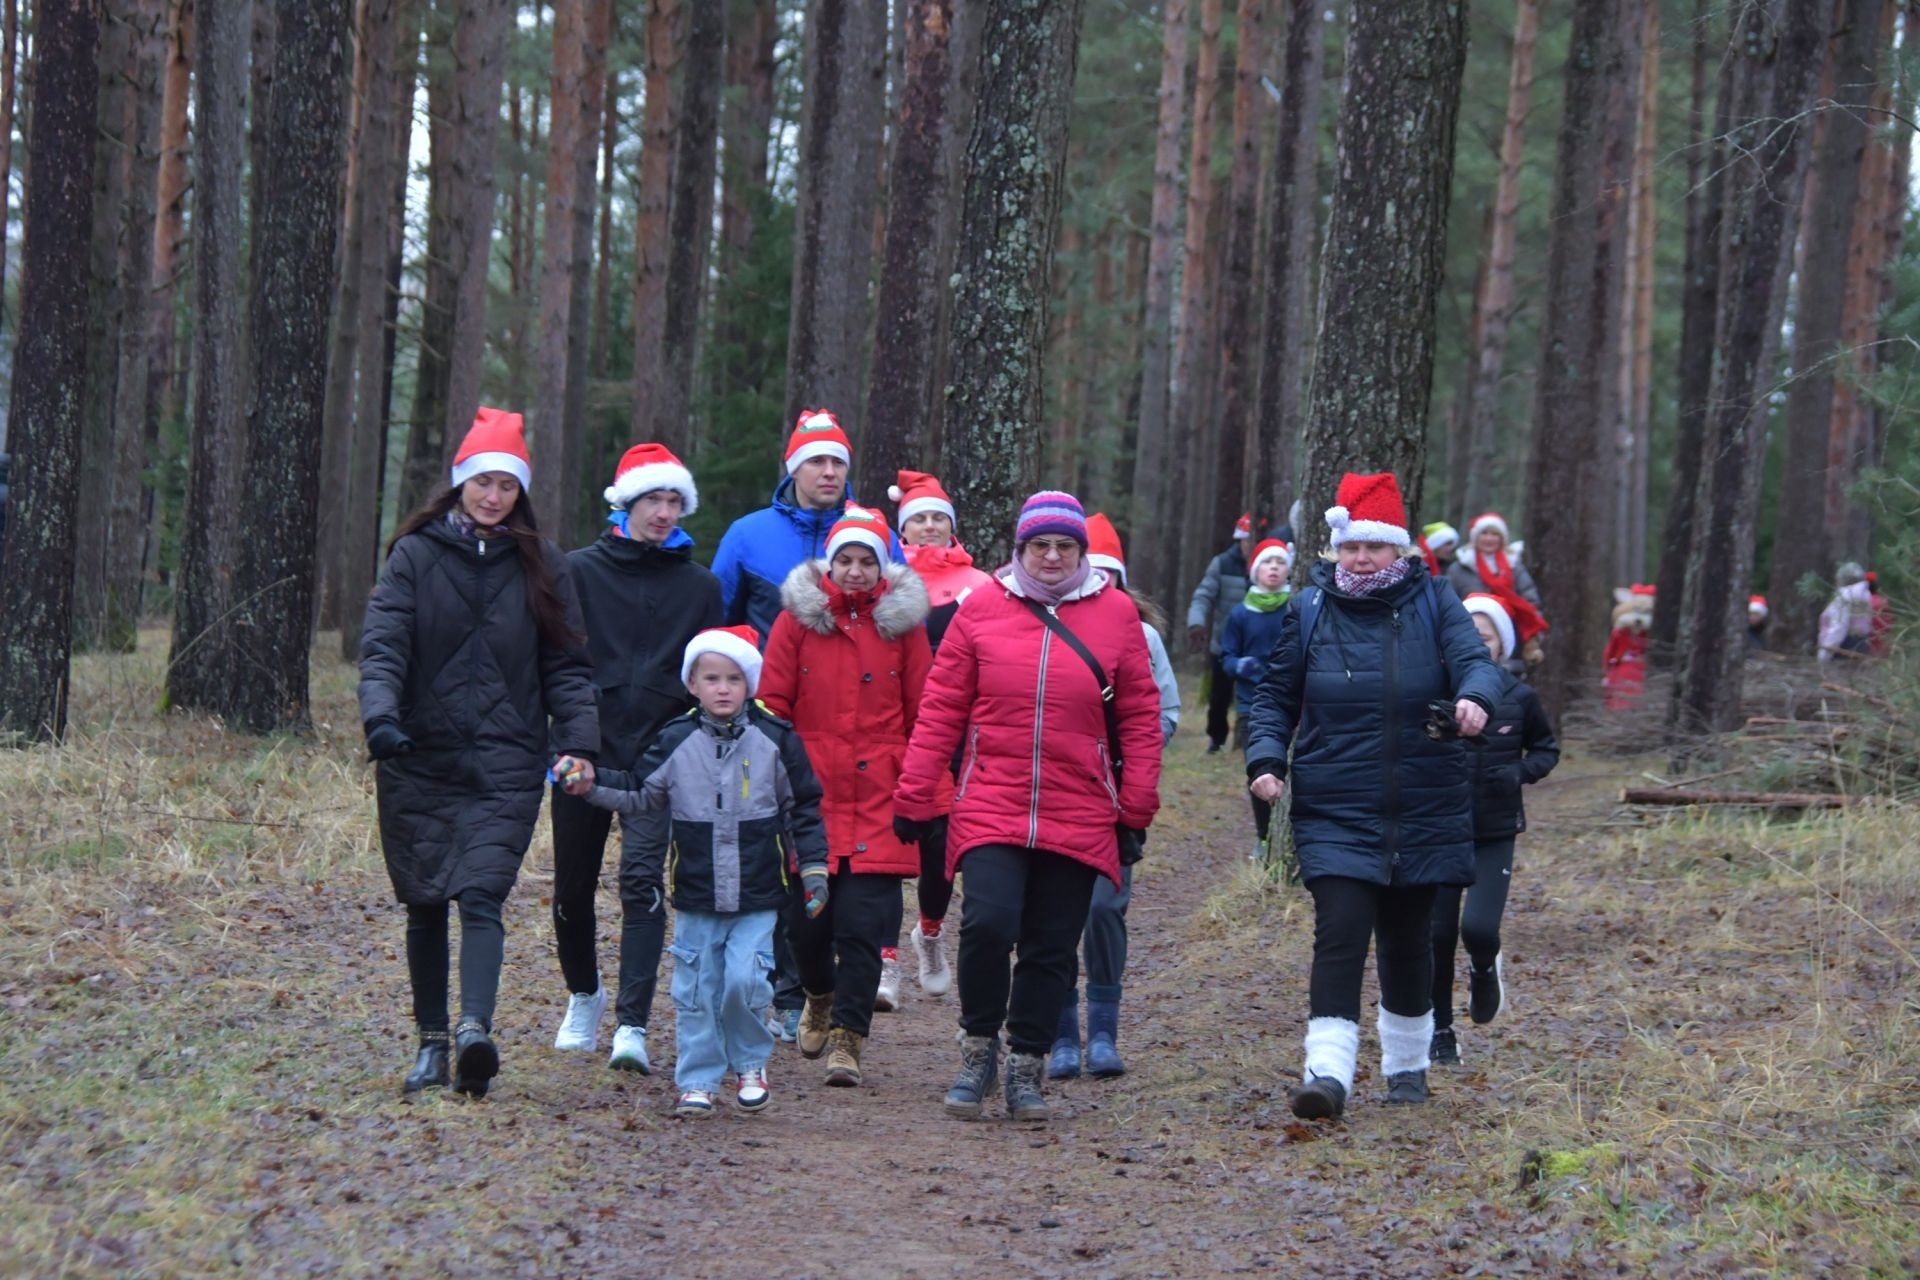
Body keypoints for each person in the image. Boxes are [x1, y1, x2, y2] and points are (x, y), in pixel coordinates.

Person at [895, 491, 1163, 1123]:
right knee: (988, 923)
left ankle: (1027, 1064)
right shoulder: (980, 607)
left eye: (1063, 546)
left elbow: (1140, 717)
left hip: (1081, 804)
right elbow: (941, 707)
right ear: (1019, 550)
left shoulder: (1117, 614)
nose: (1050, 556)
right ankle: (978, 1046)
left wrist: (1136, 807)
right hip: (992, 796)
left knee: (1050, 943)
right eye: (1038, 545)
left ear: (1080, 551)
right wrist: (914, 791)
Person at [1243, 471, 1500, 1121]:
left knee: (1409, 937)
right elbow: (1274, 696)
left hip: (1425, 796)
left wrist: (1473, 699)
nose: (1361, 558)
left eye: (1374, 548)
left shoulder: (1436, 600)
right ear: (1335, 550)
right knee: (1341, 932)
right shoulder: (1309, 610)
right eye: (1350, 547)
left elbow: (1474, 661)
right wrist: (1267, 757)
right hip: (1335, 801)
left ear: (1400, 551)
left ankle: (1407, 1067)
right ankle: (1327, 1075)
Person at [358, 407, 599, 1099]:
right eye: (483, 483)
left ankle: (473, 1033)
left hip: (507, 759)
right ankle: (430, 1045)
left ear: (519, 493)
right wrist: (381, 720)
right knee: (426, 899)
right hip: (417, 755)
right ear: (460, 482)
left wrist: (578, 742)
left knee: (482, 893)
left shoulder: (542, 563)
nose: (494, 497)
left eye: (506, 487)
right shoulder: (414, 555)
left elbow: (568, 668)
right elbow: (383, 648)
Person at [554, 627, 830, 1117]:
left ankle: (749, 1064)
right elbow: (639, 792)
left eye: (733, 679)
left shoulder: (775, 739)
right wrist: (588, 785)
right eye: (711, 678)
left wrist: (811, 869)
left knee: (746, 982)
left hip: (759, 892)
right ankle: (698, 1079)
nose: (723, 688)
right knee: (698, 990)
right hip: (697, 891)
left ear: (749, 684)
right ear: (693, 685)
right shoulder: (676, 740)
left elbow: (803, 808)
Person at [710, 408, 899, 1037]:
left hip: (856, 743)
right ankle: (788, 992)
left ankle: (825, 998)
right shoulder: (747, 535)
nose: (828, 471)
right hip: (766, 726)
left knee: (843, 877)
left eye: (838, 462)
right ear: (793, 468)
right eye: (816, 460)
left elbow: (897, 629)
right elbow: (718, 622)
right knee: (786, 867)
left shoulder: (877, 537)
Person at [547, 444, 721, 1073]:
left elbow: (710, 674)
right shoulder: (576, 572)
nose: (665, 512)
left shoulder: (701, 586)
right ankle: (583, 995)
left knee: (643, 885)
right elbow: (557, 662)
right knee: (571, 885)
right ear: (626, 502)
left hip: (659, 760)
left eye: (676, 501)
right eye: (655, 498)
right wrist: (565, 743)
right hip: (583, 751)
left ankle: (632, 1024)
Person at [757, 507, 932, 1087]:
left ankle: (849, 1040)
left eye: (867, 561)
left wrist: (919, 785)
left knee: (861, 925)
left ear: (883, 567)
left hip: (882, 791)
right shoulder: (796, 623)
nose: (855, 571)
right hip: (811, 793)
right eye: (846, 560)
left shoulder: (904, 629)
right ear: (829, 565)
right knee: (809, 923)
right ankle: (819, 996)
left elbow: (924, 711)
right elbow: (773, 706)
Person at [1047, 513, 1180, 1081]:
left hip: (1114, 800)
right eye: (1089, 574)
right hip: (1051, 793)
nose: (1098, 585)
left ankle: (1103, 1031)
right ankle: (1058, 1035)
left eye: (1107, 576)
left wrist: (1129, 754)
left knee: (1104, 910)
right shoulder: (1042, 624)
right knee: (1051, 919)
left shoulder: (1143, 637)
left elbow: (1166, 713)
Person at [1428, 594, 1559, 1067]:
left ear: (1502, 645)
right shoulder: (1433, 691)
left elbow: (1546, 751)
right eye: (1468, 640)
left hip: (1494, 828)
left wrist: (1517, 775)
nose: (1476, 648)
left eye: (1485, 639)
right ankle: (1440, 1032)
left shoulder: (1518, 697)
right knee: (1437, 935)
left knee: (1477, 927)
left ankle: (1485, 967)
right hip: (1439, 829)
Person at [889, 469, 995, 997]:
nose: (929, 527)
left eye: (938, 518)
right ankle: (884, 960)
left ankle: (929, 931)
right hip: (890, 730)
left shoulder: (980, 586)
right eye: (919, 519)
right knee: (882, 851)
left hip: (958, 733)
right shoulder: (881, 579)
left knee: (939, 851)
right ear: (901, 531)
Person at [1218, 538, 1293, 862]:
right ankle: (1263, 838)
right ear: (1254, 571)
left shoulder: (1296, 607)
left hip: (1294, 705)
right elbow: (1226, 657)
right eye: (1266, 562)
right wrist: (1239, 666)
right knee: (1260, 772)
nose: (1273, 568)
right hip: (1252, 706)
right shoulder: (1240, 614)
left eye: (1280, 562)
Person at [1186, 514, 1254, 752]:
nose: (1249, 546)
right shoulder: (1222, 563)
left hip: (1256, 647)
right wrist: (1196, 623)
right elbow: (1203, 595)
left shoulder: (1268, 563)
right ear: (1239, 541)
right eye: (1246, 541)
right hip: (1224, 645)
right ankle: (1216, 740)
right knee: (1218, 699)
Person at [1446, 512, 1547, 666]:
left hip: (1513, 639)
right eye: (1484, 533)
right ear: (1475, 537)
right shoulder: (1459, 568)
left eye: (1494, 534)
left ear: (1502, 538)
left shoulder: (1515, 568)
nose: (1489, 538)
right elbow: (1447, 603)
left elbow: (1530, 602)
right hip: (1468, 637)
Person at [1602, 584, 1655, 711]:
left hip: (1641, 670)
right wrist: (1607, 672)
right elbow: (1610, 652)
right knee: (1619, 697)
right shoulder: (1620, 634)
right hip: (1622, 669)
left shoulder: (1650, 635)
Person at [1818, 564, 1874, 662]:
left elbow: (1839, 627)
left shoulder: (1845, 596)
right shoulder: (1865, 595)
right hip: (1862, 645)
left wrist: (1824, 655)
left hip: (1843, 649)